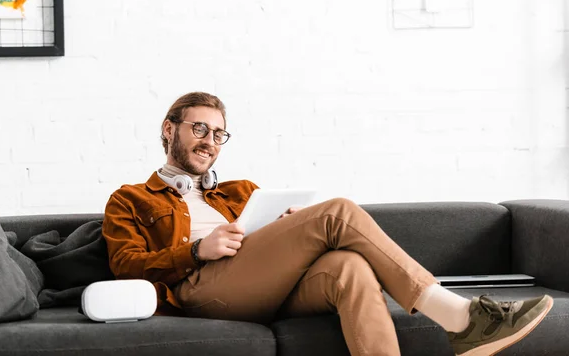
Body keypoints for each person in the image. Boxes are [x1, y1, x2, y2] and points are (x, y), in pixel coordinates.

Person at [102, 91, 553, 356]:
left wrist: (286, 230)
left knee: (348, 268)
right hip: (200, 290)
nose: (210, 142)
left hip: (264, 285)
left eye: (218, 134)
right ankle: (459, 318)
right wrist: (199, 249)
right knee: (337, 211)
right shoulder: (131, 198)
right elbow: (125, 266)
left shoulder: (240, 190)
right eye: (199, 129)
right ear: (169, 129)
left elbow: (266, 247)